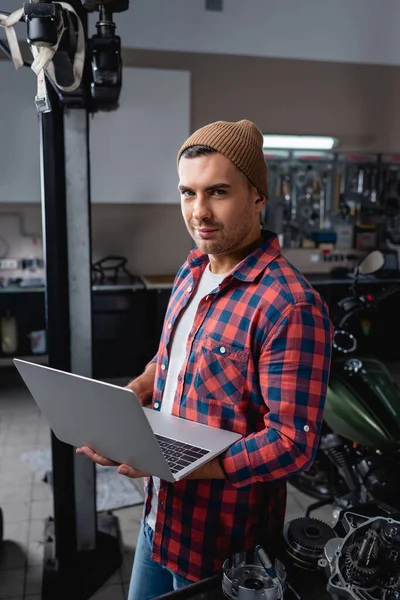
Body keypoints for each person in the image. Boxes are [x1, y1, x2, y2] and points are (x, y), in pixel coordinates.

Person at [77, 119, 334, 600]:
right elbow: (167, 361)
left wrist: (179, 463)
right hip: (160, 519)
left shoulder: (290, 305)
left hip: (219, 547)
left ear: (258, 195)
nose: (199, 212)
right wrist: (129, 398)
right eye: (187, 193)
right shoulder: (192, 270)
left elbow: (292, 443)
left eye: (217, 192)